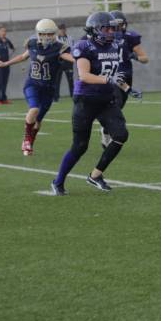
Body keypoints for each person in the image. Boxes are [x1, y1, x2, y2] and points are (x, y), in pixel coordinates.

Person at [51, 12, 128, 196]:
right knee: (80, 146)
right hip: (86, 100)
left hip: (106, 99)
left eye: (112, 28)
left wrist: (126, 87)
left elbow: (114, 74)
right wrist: (107, 79)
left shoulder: (114, 45)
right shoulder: (83, 46)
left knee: (121, 135)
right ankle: (58, 181)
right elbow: (84, 75)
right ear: (94, 29)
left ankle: (96, 175)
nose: (110, 32)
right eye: (106, 28)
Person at [0, 19, 75, 156]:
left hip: (49, 88)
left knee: (37, 122)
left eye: (50, 34)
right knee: (34, 108)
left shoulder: (59, 47)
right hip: (33, 84)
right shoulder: (32, 44)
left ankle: (30, 141)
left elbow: (71, 57)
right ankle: (26, 138)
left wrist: (86, 60)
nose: (48, 37)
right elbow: (22, 56)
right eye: (44, 34)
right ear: (39, 34)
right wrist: (5, 63)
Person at [101, 11, 149, 147]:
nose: (117, 28)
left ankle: (105, 130)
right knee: (115, 104)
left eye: (120, 25)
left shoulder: (129, 37)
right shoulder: (103, 38)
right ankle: (109, 132)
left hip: (126, 76)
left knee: (119, 107)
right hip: (111, 76)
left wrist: (134, 56)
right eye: (114, 25)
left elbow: (145, 58)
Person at [53, 23, 74, 101]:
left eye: (64, 29)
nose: (63, 31)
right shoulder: (55, 39)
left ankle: (73, 96)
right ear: (58, 30)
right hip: (58, 61)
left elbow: (72, 48)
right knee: (57, 80)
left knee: (70, 79)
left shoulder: (70, 38)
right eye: (61, 30)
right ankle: (55, 97)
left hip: (68, 61)